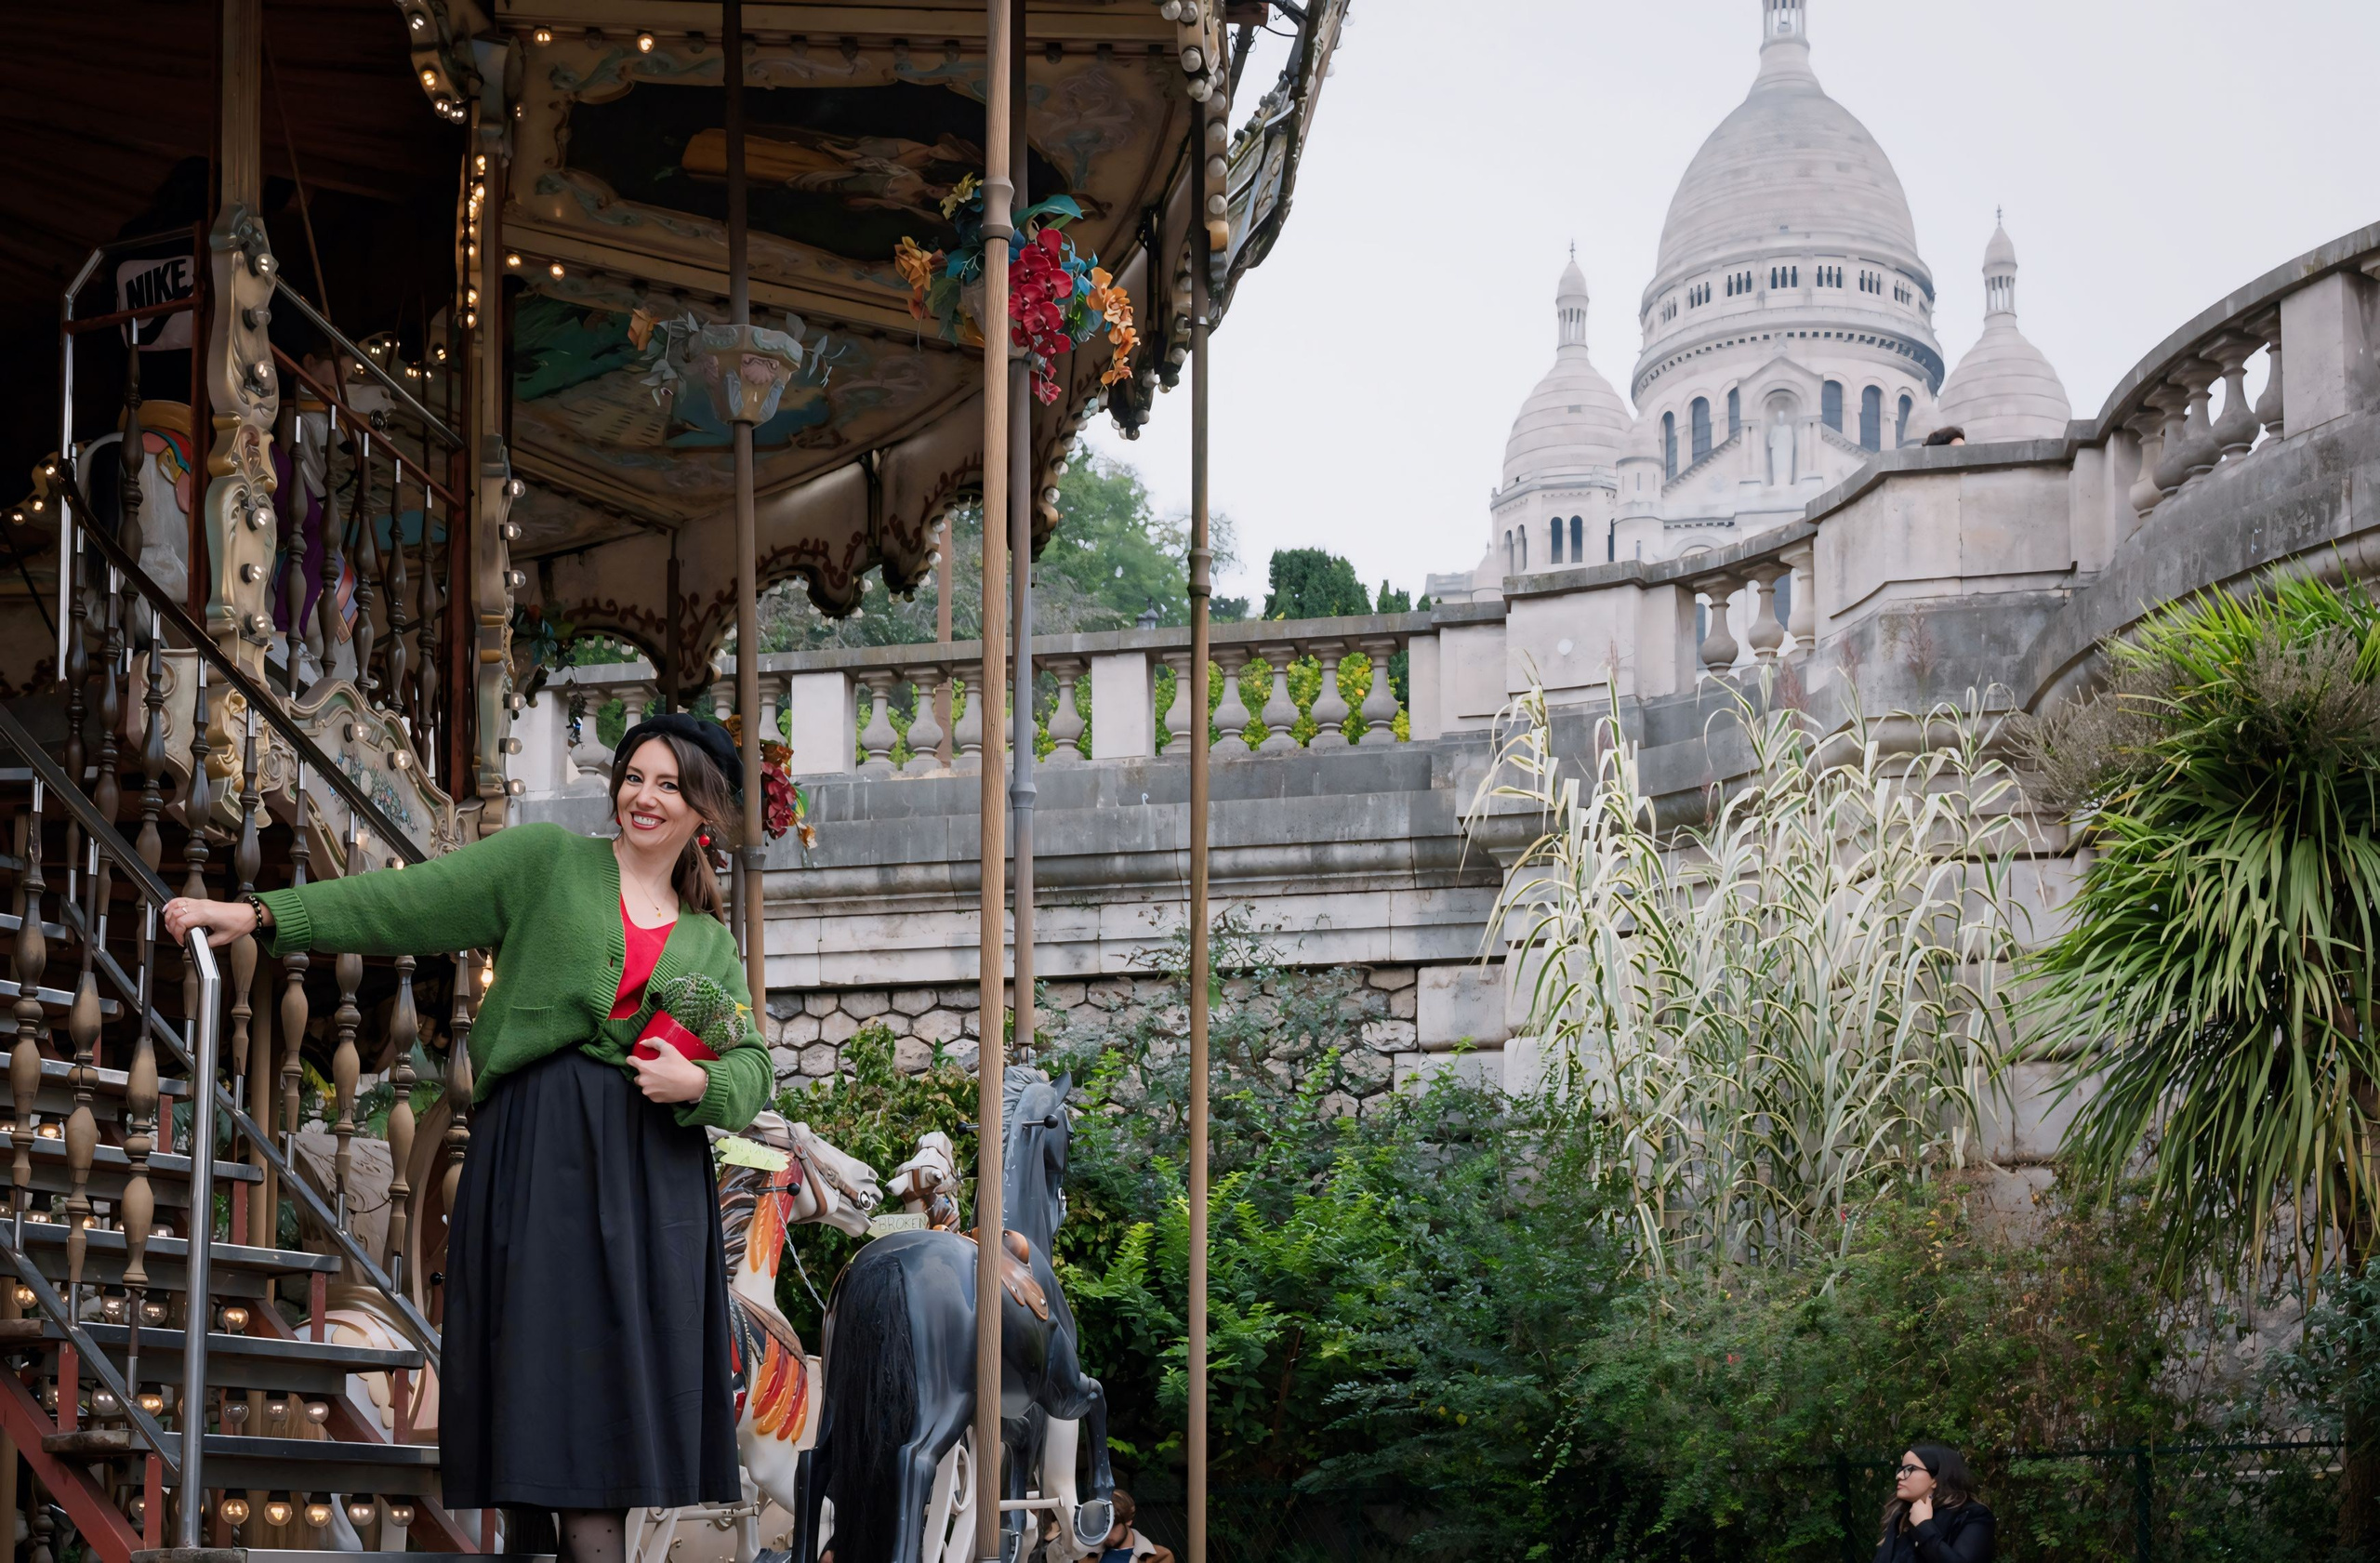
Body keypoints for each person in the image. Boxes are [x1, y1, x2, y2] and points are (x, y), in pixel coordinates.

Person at [165, 713, 773, 1563]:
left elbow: (753, 1072)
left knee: (606, 1432)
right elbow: (407, 903)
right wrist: (263, 914)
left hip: (648, 1192)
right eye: (635, 775)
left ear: (702, 809)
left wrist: (699, 1082)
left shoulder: (709, 944)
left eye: (669, 784)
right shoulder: (549, 864)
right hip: (537, 1164)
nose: (644, 795)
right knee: (538, 1415)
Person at [1875, 1442, 1993, 1563]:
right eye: (1900, 1469)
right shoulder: (1900, 1517)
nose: (1899, 1476)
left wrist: (1924, 1526)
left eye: (1909, 1469)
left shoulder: (1972, 1515)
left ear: (1935, 1479)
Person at [1083, 1490, 1171, 1563]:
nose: (1106, 1533)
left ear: (1128, 1520)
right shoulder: (1084, 1556)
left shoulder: (1160, 1557)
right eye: (1101, 1527)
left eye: (1112, 1527)